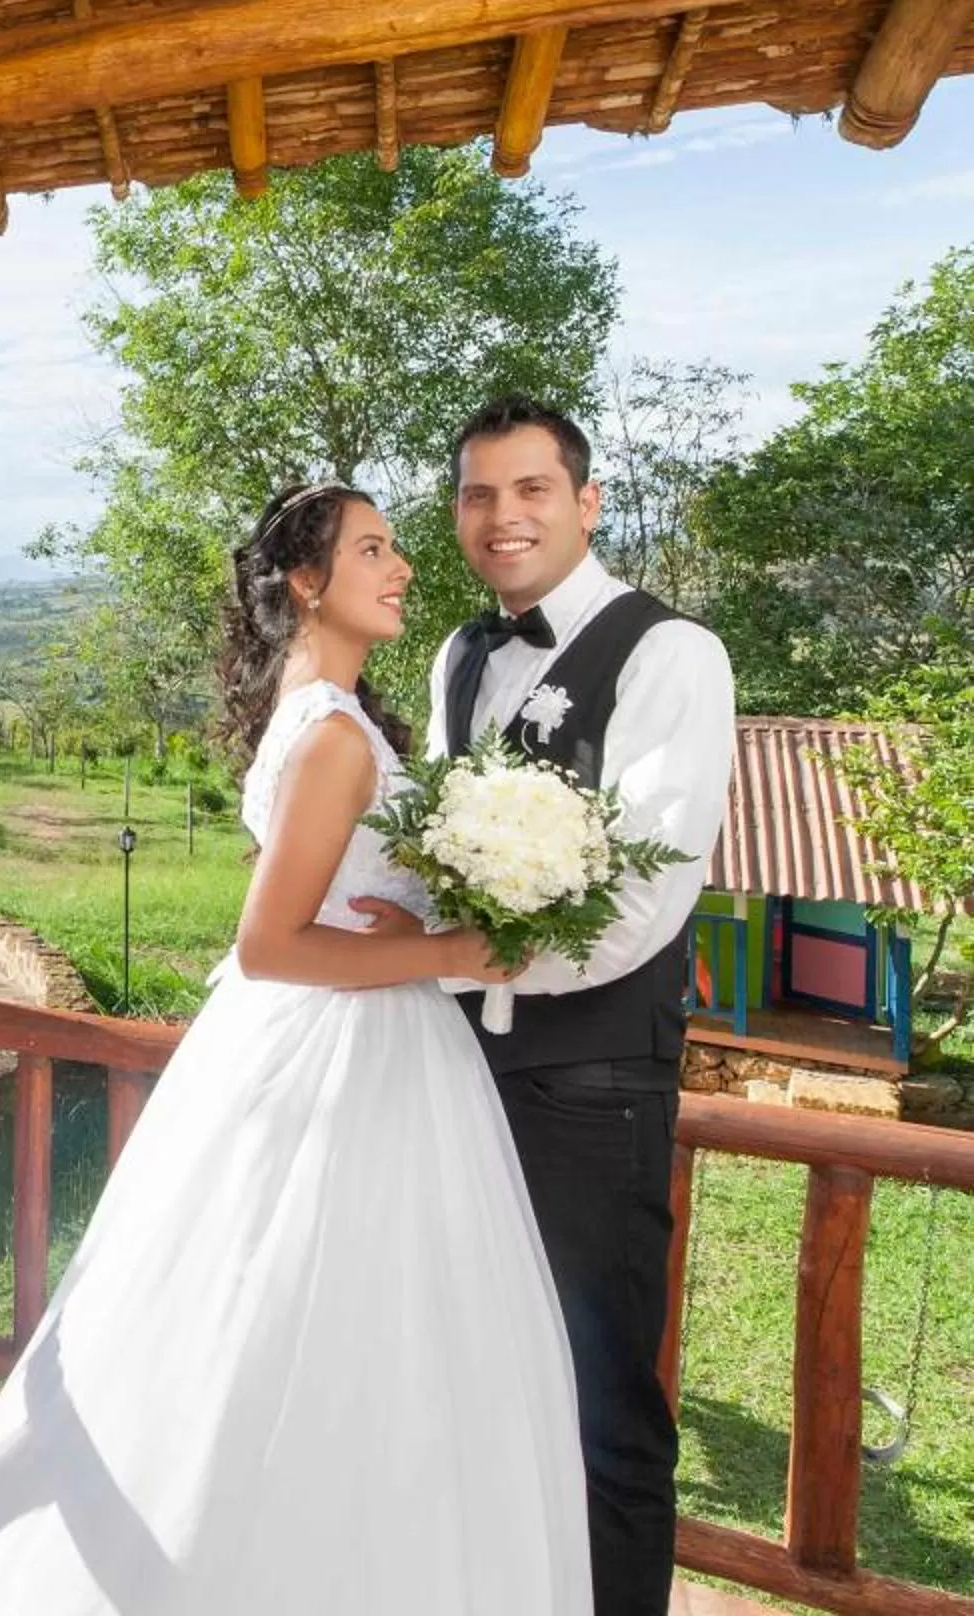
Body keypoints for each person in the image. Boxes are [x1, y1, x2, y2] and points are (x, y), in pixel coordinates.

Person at [0, 482, 588, 1616]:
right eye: (373, 550)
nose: (402, 569)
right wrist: (457, 946)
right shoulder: (336, 735)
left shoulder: (315, 707)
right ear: (305, 581)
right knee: (333, 1328)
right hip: (342, 1054)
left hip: (332, 1051)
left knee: (269, 1321)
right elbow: (273, 943)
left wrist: (435, 914)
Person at [392, 396, 735, 1616]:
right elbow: (435, 834)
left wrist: (436, 961)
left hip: (594, 1088)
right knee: (473, 1374)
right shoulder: (460, 654)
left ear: (587, 502)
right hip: (452, 1074)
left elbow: (643, 897)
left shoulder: (672, 654)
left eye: (533, 489)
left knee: (603, 1410)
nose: (505, 516)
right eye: (481, 494)